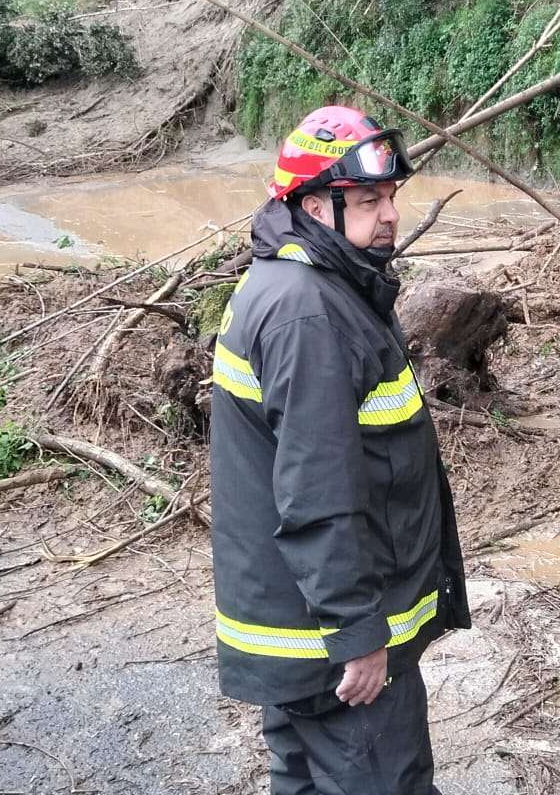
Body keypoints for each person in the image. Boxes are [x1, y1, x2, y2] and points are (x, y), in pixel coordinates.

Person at [208, 105, 470, 795]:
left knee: (302, 780)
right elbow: (319, 494)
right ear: (316, 207)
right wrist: (359, 635)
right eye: (367, 201)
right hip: (331, 639)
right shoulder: (310, 311)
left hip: (294, 619)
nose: (389, 216)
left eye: (390, 198)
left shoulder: (301, 282)